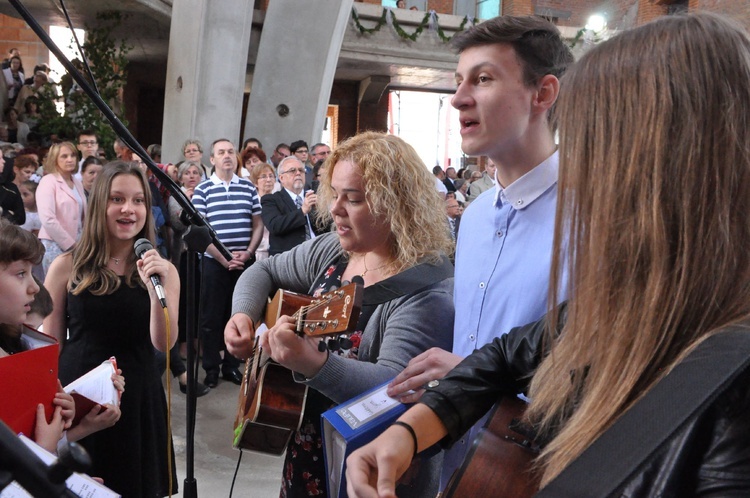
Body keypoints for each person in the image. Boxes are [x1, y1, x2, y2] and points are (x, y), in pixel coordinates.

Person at [346, 12, 750, 497]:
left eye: (598, 142)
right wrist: (417, 427)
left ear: (677, 165)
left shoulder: (726, 361)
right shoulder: (643, 293)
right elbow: (511, 353)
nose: (585, 169)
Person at [385, 15, 573, 489]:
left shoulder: (596, 216)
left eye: (483, 79)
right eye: (457, 82)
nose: (458, 98)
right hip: (459, 468)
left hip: (541, 471)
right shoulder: (475, 217)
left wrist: (479, 378)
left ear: (542, 93)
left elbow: (602, 374)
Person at [225, 131, 455, 498]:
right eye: (335, 193)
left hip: (370, 472)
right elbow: (262, 270)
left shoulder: (426, 290)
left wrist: (313, 365)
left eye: (355, 199)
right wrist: (244, 315)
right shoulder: (335, 250)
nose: (335, 209)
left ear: (397, 205)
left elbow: (395, 388)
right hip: (307, 451)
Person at [43, 161, 179, 497]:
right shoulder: (65, 267)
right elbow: (49, 345)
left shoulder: (164, 271)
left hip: (138, 400)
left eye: (138, 201)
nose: (128, 209)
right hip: (83, 400)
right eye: (117, 199)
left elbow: (164, 344)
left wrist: (153, 287)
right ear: (99, 204)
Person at [191, 138, 263, 388]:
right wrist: (223, 258)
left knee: (239, 315)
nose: (227, 156)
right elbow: (200, 232)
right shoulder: (203, 190)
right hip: (214, 263)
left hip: (243, 262)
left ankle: (232, 366)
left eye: (231, 151)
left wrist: (248, 252)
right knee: (211, 318)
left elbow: (258, 224)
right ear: (212, 159)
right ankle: (211, 368)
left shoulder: (248, 188)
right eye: (221, 152)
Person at [36, 142, 87, 277]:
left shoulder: (77, 182)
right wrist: (70, 244)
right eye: (64, 156)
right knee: (56, 286)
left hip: (79, 243)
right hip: (55, 243)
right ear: (55, 159)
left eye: (72, 155)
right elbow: (48, 219)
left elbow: (83, 216)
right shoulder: (48, 181)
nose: (69, 159)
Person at [261, 156, 321, 256]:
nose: (298, 173)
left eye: (301, 170)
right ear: (281, 178)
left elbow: (326, 228)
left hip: (318, 253)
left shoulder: (313, 197)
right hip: (289, 257)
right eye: (292, 170)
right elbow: (275, 226)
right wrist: (302, 211)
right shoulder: (271, 200)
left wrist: (321, 211)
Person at [248, 161, 276, 261]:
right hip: (258, 252)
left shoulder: (279, 200)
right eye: (263, 177)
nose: (268, 180)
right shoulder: (253, 203)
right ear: (255, 182)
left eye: (271, 176)